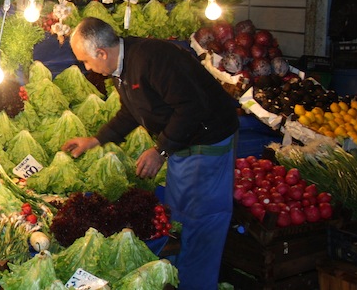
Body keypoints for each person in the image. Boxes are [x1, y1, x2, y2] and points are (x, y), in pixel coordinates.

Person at [61, 17, 238, 290]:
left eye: (86, 61)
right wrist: (96, 140)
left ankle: (197, 284)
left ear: (101, 53)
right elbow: (132, 111)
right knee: (178, 219)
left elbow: (192, 109)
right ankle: (178, 278)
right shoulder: (124, 65)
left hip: (207, 144)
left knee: (201, 223)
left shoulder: (154, 59)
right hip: (183, 145)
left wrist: (161, 150)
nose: (87, 67)